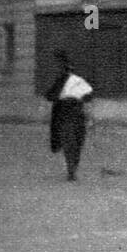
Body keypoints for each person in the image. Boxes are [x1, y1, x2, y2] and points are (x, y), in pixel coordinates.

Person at [45, 51, 93, 181]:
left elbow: (88, 98)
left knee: (73, 142)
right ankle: (72, 170)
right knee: (72, 142)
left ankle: (72, 169)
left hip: (71, 113)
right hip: (70, 113)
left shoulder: (72, 80)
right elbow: (50, 96)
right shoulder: (64, 80)